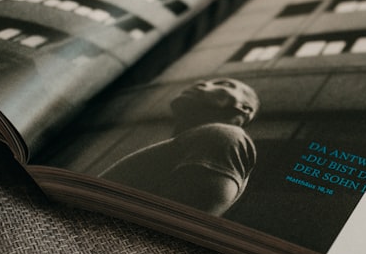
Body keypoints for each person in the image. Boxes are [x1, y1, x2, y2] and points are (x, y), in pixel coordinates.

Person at [100, 78, 260, 216]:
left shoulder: (223, 136)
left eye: (223, 84)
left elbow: (177, 223)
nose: (200, 84)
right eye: (203, 82)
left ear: (244, 109)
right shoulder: (197, 140)